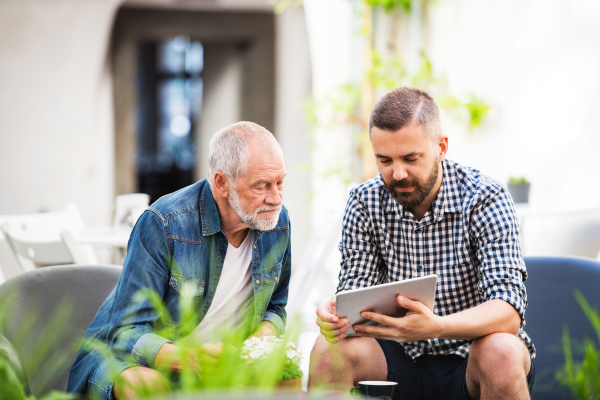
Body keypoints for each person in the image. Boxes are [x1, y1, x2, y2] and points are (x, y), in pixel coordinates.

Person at [309, 87, 535, 400]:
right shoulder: (364, 201)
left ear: (441, 147)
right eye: (384, 160)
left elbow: (508, 310)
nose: (397, 173)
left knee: (502, 350)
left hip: (470, 356)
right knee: (328, 350)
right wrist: (337, 317)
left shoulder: (486, 197)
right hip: (396, 359)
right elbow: (356, 299)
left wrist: (436, 326)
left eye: (411, 158)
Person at [68, 121, 291, 400]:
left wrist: (257, 344)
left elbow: (276, 309)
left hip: (217, 367)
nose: (276, 198)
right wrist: (189, 359)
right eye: (262, 186)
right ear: (222, 183)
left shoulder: (276, 223)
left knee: (288, 377)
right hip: (131, 361)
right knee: (147, 387)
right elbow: (125, 332)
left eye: (280, 182)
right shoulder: (164, 223)